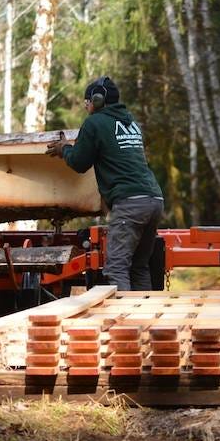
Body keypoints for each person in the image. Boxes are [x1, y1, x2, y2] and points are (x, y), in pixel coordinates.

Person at [46, 76, 164, 291]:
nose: (85, 105)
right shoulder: (130, 122)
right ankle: (144, 319)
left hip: (131, 204)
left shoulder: (95, 122)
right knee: (139, 267)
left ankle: (124, 322)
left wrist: (64, 149)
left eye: (87, 100)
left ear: (98, 100)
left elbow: (80, 162)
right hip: (154, 199)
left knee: (116, 268)